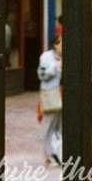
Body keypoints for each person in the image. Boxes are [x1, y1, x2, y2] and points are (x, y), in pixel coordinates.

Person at [38, 35, 63, 165]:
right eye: (61, 43)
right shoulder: (46, 57)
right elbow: (41, 75)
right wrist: (53, 69)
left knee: (62, 126)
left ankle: (60, 153)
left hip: (64, 95)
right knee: (48, 126)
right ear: (55, 44)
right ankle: (49, 155)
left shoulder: (68, 56)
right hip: (51, 94)